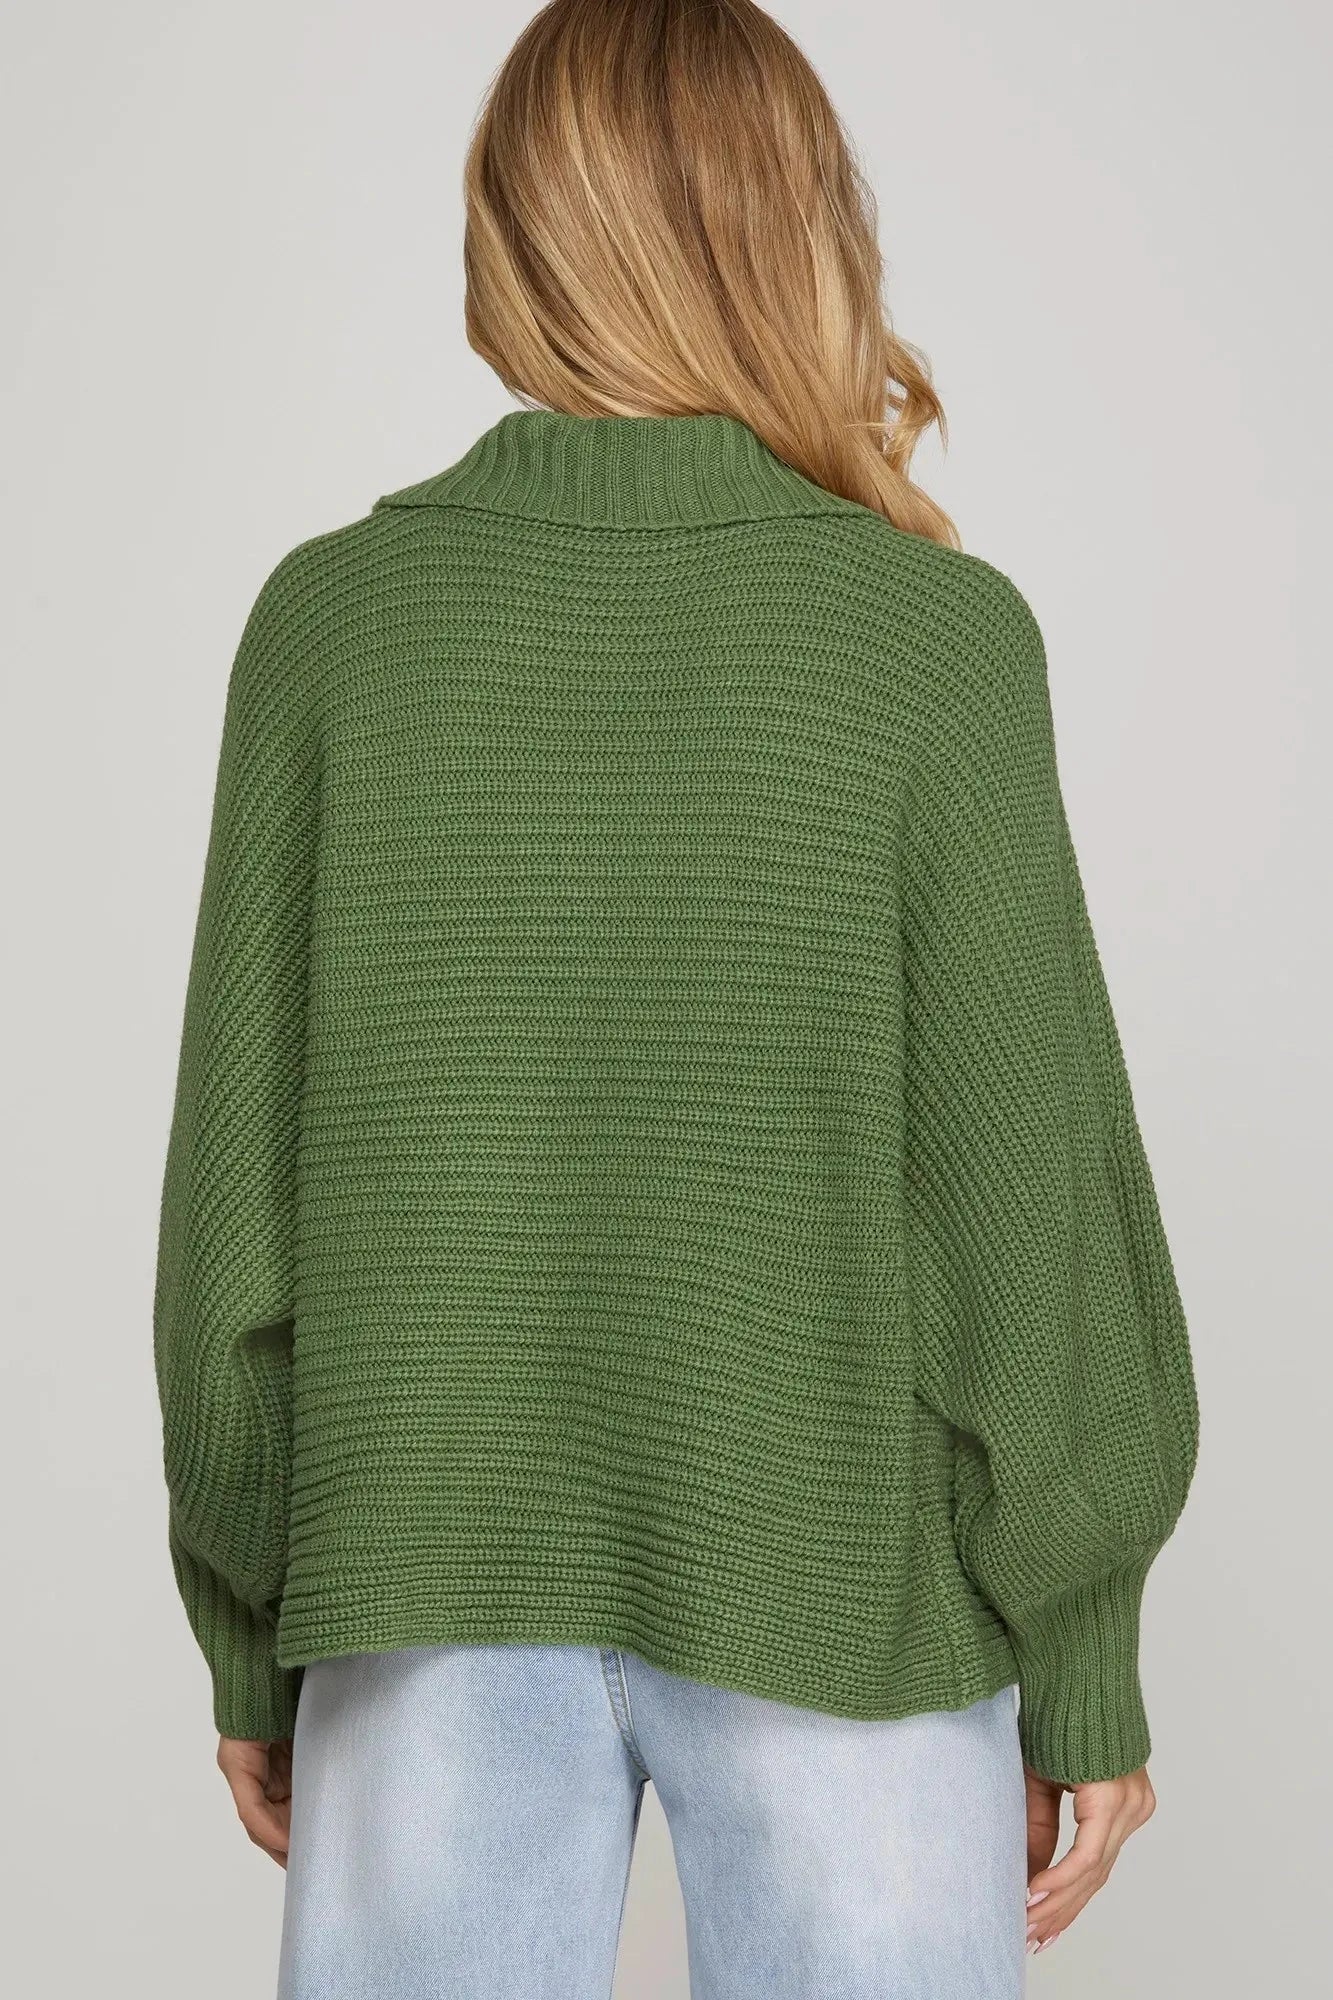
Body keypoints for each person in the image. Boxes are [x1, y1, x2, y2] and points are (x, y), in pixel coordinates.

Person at [151, 3, 1199, 1994]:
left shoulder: (332, 632)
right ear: (799, 230)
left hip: (419, 1582)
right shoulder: (931, 644)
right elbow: (1028, 1214)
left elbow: (233, 1233)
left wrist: (256, 1615)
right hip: (848, 1588)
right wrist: (1081, 1648)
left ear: (511, 232)